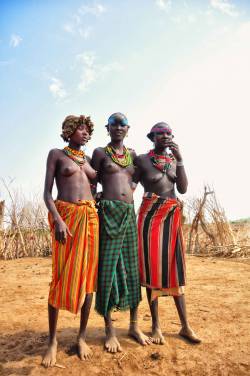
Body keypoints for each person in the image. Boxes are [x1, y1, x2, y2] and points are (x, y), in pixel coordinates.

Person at [134, 122, 201, 345]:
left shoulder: (173, 161)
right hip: (150, 217)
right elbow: (129, 184)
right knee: (152, 269)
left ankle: (185, 325)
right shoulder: (142, 160)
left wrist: (180, 159)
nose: (165, 136)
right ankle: (155, 326)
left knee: (175, 267)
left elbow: (182, 189)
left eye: (169, 133)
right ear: (152, 136)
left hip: (171, 216)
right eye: (160, 133)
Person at [91, 112, 151, 353]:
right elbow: (91, 178)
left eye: (122, 124)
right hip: (108, 214)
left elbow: (136, 177)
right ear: (107, 128)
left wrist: (132, 188)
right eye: (114, 124)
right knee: (108, 269)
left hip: (128, 213)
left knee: (131, 269)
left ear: (128, 129)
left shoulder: (132, 155)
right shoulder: (99, 153)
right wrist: (95, 195)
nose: (118, 127)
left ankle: (134, 326)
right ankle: (109, 331)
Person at [42, 115, 99, 367]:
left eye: (88, 131)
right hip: (66, 218)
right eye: (81, 129)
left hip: (90, 219)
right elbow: (47, 193)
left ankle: (82, 337)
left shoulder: (87, 161)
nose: (86, 133)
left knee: (88, 277)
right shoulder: (56, 154)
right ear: (69, 131)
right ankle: (52, 340)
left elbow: (99, 185)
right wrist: (58, 220)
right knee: (61, 275)